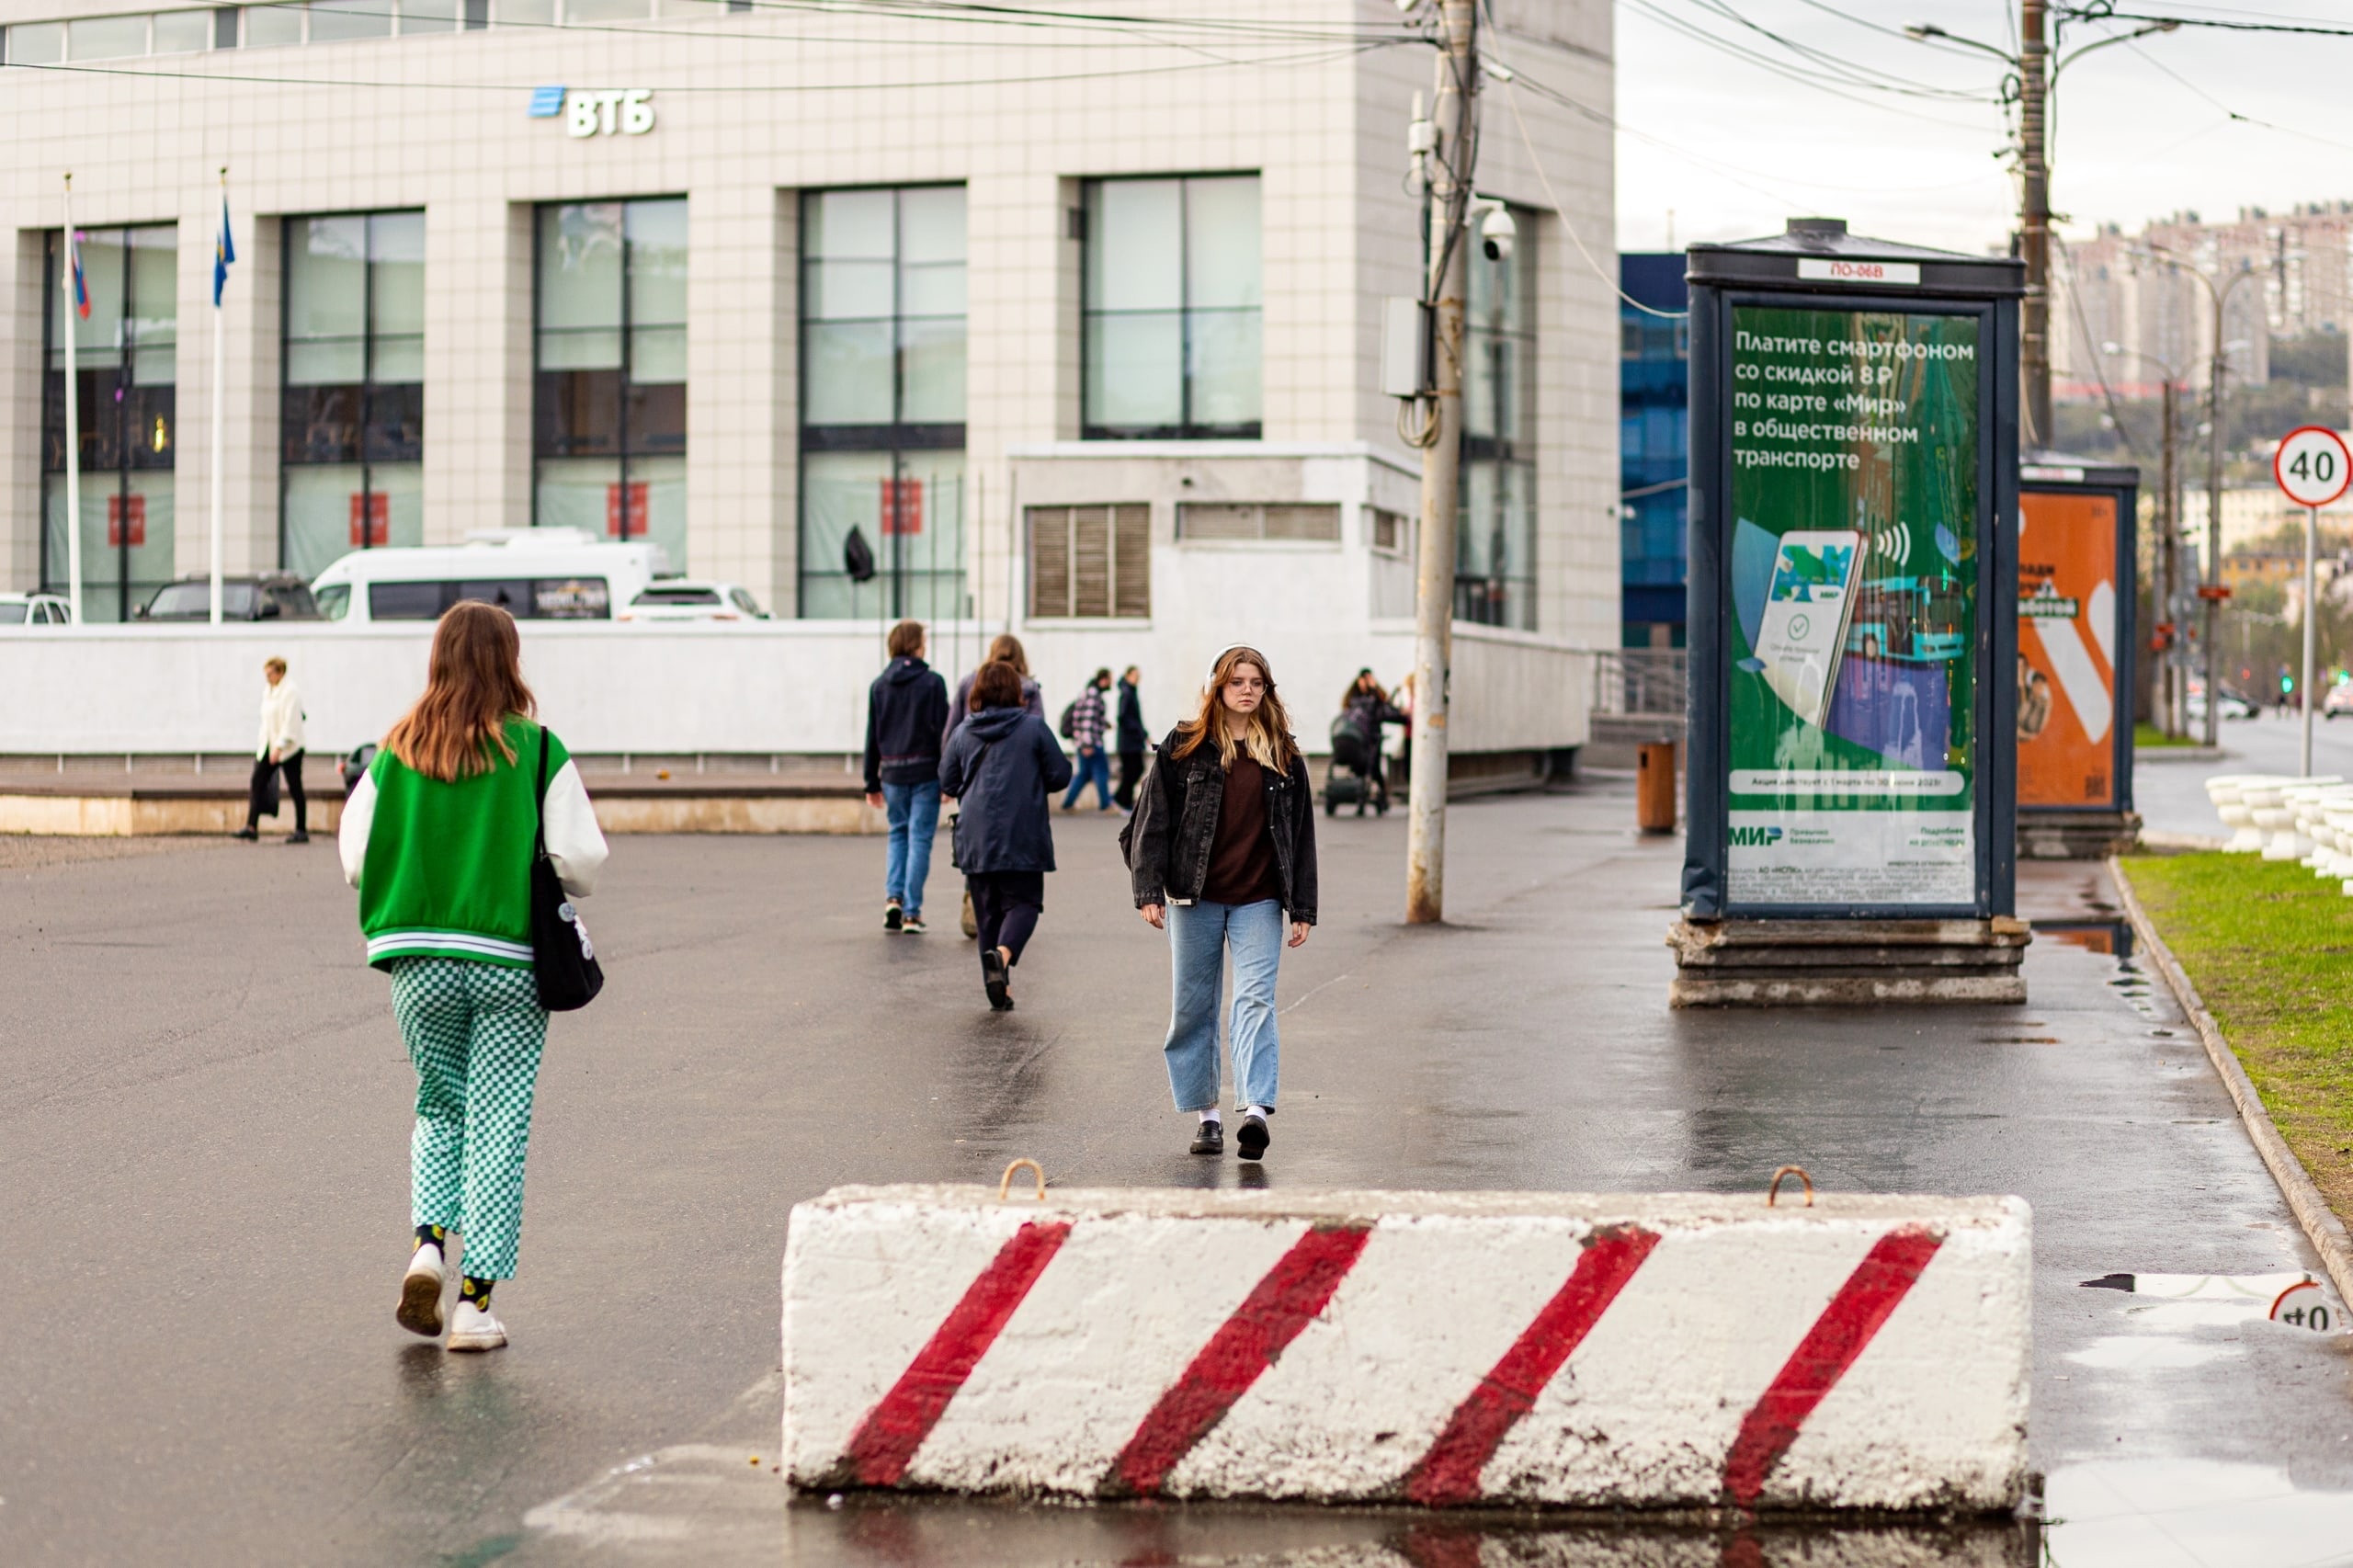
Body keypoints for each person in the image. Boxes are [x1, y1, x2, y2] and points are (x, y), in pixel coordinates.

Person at [337, 602, 608, 1353]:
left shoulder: (395, 750)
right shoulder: (539, 749)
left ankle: (428, 1246)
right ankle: (474, 1306)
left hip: (417, 959)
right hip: (509, 965)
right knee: (497, 1122)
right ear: (508, 660)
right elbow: (584, 862)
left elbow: (356, 856)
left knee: (439, 1105)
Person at [1127, 646, 1317, 1164]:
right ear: (1219, 687)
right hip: (1195, 897)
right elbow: (1151, 822)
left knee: (1254, 1001)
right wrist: (1149, 890)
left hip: (1258, 899)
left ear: (1266, 690)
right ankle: (1207, 1116)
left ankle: (1255, 1109)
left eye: (1256, 682)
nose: (1247, 690)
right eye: (1237, 681)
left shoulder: (1283, 752)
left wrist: (1302, 906)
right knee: (1193, 1008)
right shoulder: (1185, 746)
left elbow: (1301, 836)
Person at [940, 660, 1072, 1011]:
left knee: (987, 913)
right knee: (1025, 903)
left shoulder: (963, 732)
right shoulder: (1033, 728)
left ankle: (999, 985)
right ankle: (1002, 955)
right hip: (1023, 832)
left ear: (977, 692)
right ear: (1017, 692)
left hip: (976, 836)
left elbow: (948, 781)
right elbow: (1060, 774)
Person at [863, 619, 950, 934]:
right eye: (923, 640)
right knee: (920, 838)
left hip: (891, 772)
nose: (925, 645)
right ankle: (912, 913)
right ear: (915, 644)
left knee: (897, 833)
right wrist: (948, 777)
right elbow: (944, 733)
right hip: (926, 770)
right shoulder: (933, 682)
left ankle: (893, 900)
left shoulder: (879, 685)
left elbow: (872, 736)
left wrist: (871, 782)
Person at [236, 656, 308, 844]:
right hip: (269, 746)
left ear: (280, 672)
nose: (267, 678)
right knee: (257, 781)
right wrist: (266, 746)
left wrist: (279, 747)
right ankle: (251, 826)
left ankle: (301, 829)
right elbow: (267, 722)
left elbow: (290, 723)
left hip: (289, 748)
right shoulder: (269, 691)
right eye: (266, 674)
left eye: (270, 674)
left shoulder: (290, 692)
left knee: (294, 787)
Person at [945, 633, 1044, 746]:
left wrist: (950, 759)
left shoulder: (968, 683)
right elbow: (1038, 732)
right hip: (1016, 756)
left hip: (972, 754)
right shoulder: (1030, 687)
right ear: (1020, 658)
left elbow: (951, 730)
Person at [1339, 669, 1407, 812]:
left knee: (1374, 769)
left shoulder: (1375, 698)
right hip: (1358, 739)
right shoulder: (1354, 699)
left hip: (1373, 740)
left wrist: (1375, 688)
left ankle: (1381, 797)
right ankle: (1362, 797)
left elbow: (1384, 708)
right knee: (1360, 769)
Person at [1061, 668, 1115, 812]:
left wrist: (1104, 724)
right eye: (1110, 680)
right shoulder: (1093, 695)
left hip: (1084, 742)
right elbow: (1087, 722)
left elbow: (1086, 719)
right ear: (1103, 680)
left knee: (1084, 774)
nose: (1112, 683)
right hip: (1091, 742)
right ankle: (1106, 804)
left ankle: (1068, 804)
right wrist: (1087, 744)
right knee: (1102, 772)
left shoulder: (1088, 694)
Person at [1114, 665, 1149, 811]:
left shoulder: (1130, 692)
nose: (1137, 678)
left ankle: (1121, 798)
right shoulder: (1127, 693)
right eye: (1135, 675)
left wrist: (1144, 734)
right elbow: (1123, 717)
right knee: (1133, 770)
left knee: (1134, 769)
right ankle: (1123, 800)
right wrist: (1139, 732)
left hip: (1133, 740)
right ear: (1127, 675)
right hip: (1129, 742)